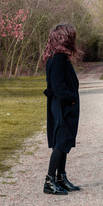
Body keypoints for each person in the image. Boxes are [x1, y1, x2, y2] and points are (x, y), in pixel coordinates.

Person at [42, 24, 81, 195]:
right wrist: (71, 98)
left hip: (64, 104)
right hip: (63, 105)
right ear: (63, 38)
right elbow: (58, 86)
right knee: (61, 142)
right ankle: (49, 181)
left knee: (63, 142)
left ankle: (60, 178)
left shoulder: (58, 57)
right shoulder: (57, 58)